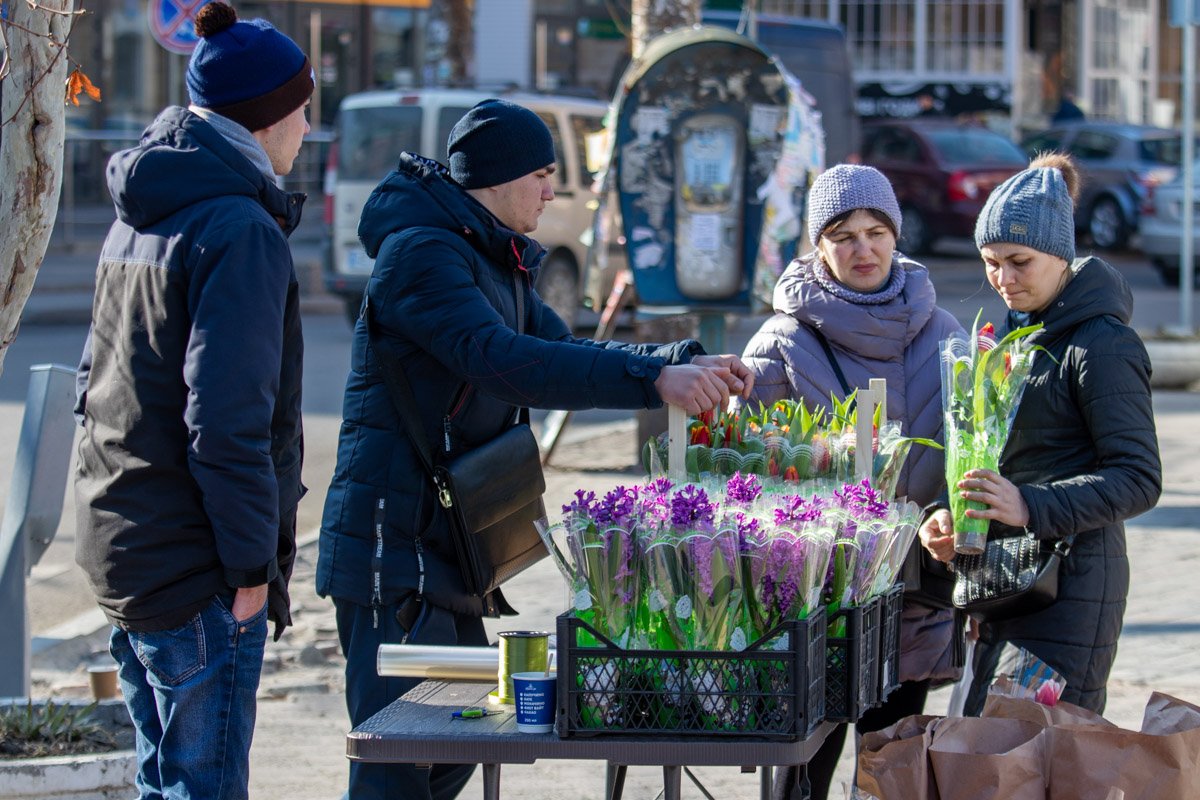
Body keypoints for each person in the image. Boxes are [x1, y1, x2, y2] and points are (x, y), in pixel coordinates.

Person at [317, 98, 753, 800]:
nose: (553, 189)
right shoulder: (422, 255)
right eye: (543, 173)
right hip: (390, 547)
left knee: (454, 746)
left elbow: (561, 349)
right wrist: (653, 380)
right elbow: (506, 360)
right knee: (396, 758)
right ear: (495, 178)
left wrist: (676, 360)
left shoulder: (492, 252)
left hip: (450, 546)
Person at [72, 4, 313, 797]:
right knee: (202, 787)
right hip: (197, 565)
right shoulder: (239, 229)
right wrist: (252, 569)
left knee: (163, 782)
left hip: (128, 545)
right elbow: (229, 421)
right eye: (303, 108)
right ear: (268, 117)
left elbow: (94, 385)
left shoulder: (145, 210)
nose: (308, 127)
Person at [740, 164, 964, 799]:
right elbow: (750, 473)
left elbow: (970, 454)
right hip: (814, 601)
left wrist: (954, 518)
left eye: (876, 232)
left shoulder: (944, 333)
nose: (863, 249)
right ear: (818, 246)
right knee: (801, 772)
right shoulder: (782, 343)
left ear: (896, 237)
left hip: (915, 590)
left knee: (894, 770)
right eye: (843, 236)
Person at [919, 152, 1161, 715]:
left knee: (1032, 765)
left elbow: (1139, 478)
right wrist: (946, 509)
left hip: (1069, 593)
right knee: (995, 759)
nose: (1002, 279)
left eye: (1018, 261)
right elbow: (991, 454)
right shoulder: (1013, 336)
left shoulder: (1102, 343)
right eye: (990, 262)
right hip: (1003, 584)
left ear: (1060, 256)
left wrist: (1027, 505)